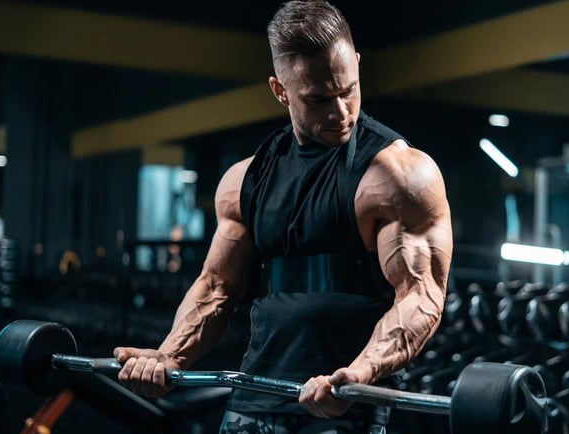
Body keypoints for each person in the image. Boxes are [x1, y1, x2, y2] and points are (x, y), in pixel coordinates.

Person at [113, 1, 453, 432]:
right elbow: (218, 286)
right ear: (280, 91)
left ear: (358, 65)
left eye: (348, 89)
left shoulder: (397, 176)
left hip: (345, 408)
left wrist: (360, 373)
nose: (340, 112)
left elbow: (421, 294)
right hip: (253, 401)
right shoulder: (245, 181)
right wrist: (169, 356)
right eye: (318, 99)